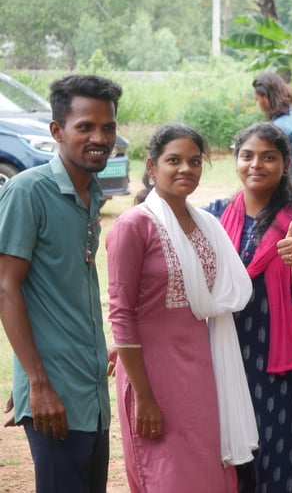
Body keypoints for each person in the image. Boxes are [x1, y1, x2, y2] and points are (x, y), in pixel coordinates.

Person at [106, 124, 259, 492]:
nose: (185, 169)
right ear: (151, 166)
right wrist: (143, 397)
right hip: (153, 376)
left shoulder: (205, 225)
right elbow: (121, 313)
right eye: (173, 160)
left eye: (194, 161)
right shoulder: (133, 226)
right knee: (168, 477)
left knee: (207, 474)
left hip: (201, 372)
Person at [0, 74, 121, 492]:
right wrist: (36, 382)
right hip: (54, 398)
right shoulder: (28, 192)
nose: (99, 138)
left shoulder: (92, 195)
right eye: (85, 126)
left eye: (108, 127)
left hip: (91, 395)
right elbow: (6, 288)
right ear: (57, 130)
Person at [205, 122, 292, 493]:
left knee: (283, 461)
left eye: (268, 157)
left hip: (283, 366)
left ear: (285, 163)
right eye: (247, 156)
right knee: (233, 464)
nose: (256, 165)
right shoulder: (215, 217)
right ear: (236, 159)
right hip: (228, 357)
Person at [252, 72, 292, 194]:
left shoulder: (277, 129)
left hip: (285, 198)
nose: (257, 104)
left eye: (257, 99)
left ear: (266, 97)